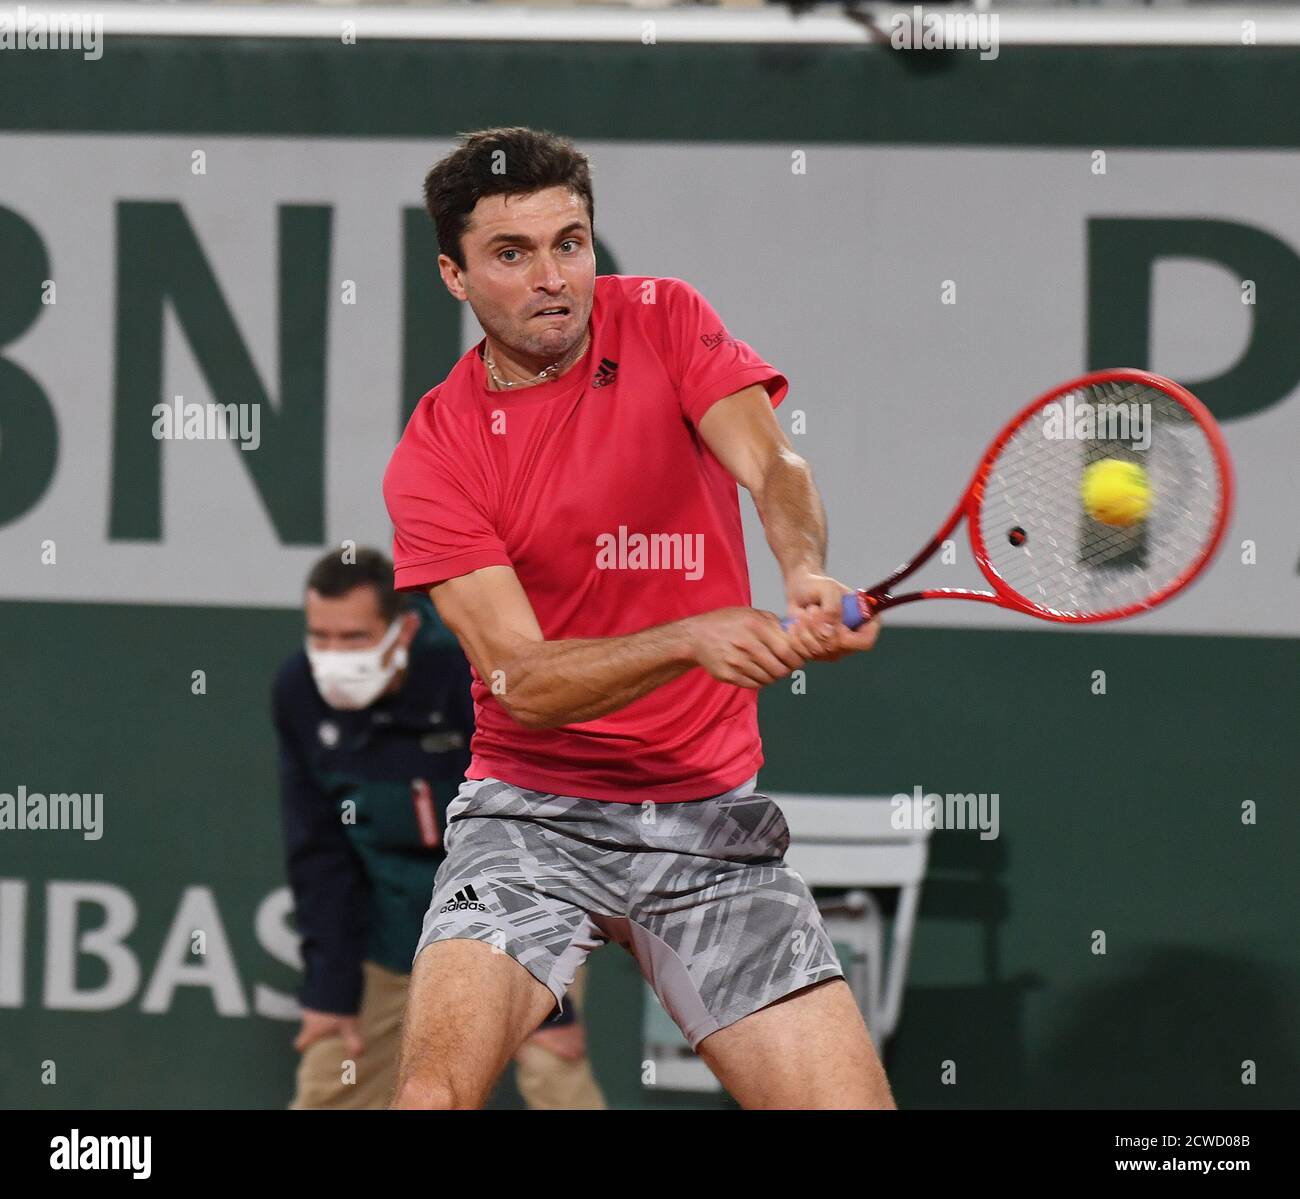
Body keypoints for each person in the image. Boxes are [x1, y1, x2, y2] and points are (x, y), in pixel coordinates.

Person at [382, 126, 895, 1110]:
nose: (551, 277)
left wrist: (802, 568)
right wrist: (688, 637)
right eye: (510, 253)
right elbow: (522, 682)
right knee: (427, 1098)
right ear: (454, 274)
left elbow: (773, 464)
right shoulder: (439, 451)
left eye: (569, 242)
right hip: (530, 818)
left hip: (706, 819)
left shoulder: (663, 316)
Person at [272, 546, 605, 1109]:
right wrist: (329, 990)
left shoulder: (466, 668)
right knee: (331, 1083)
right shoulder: (298, 692)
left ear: (401, 631)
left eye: (353, 639)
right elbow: (318, 851)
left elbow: (524, 827)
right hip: (388, 930)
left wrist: (554, 1003)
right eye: (319, 636)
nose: (332, 656)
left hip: (519, 913)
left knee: (555, 1073)